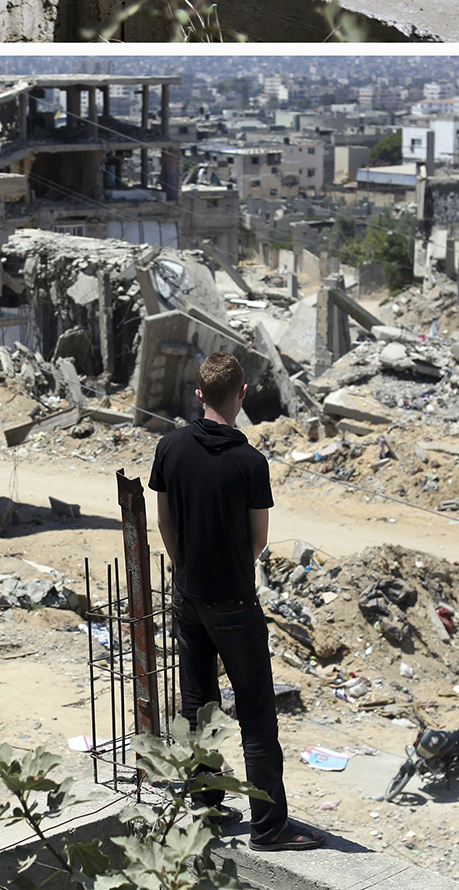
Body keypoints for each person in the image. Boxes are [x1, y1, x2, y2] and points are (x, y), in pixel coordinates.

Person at [148, 353, 324, 853]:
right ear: (242, 395)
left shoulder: (170, 446)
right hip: (233, 600)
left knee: (196, 700)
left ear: (198, 395)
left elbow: (163, 521)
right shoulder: (251, 462)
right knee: (256, 712)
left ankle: (204, 806)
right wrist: (228, 567)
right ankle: (269, 827)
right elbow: (258, 541)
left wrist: (187, 568)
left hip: (188, 594)